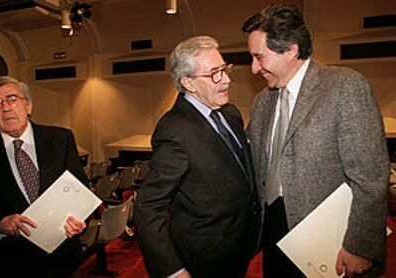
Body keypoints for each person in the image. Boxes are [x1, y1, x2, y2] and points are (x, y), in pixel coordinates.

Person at [242, 4, 389, 278]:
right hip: (273, 238)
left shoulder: (344, 86)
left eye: (259, 57)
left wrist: (359, 246)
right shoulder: (262, 101)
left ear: (291, 50)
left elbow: (371, 177)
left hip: (331, 246)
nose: (253, 68)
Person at [134, 36, 260, 278]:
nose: (226, 79)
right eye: (215, 73)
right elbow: (148, 206)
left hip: (241, 246)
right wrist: (173, 270)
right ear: (188, 83)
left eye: (224, 69)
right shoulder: (174, 130)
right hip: (204, 257)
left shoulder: (231, 113)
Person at [0, 76, 89, 277]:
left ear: (28, 105)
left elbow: (80, 188)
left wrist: (80, 221)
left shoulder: (61, 139)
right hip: (10, 264)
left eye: (12, 99)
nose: (5, 107)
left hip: (64, 259)